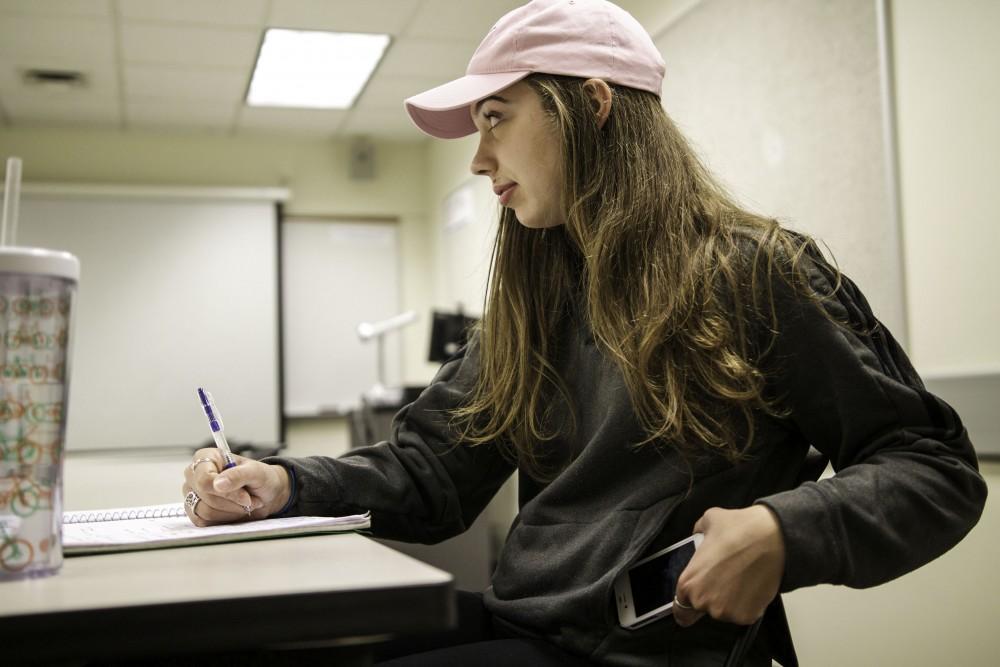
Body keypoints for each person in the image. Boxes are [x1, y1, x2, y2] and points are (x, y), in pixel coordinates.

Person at [182, 1, 987, 665]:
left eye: (496, 118)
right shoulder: (538, 296)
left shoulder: (756, 273)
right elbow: (435, 471)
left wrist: (785, 528)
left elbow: (935, 468)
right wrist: (284, 484)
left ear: (593, 107)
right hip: (527, 622)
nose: (478, 157)